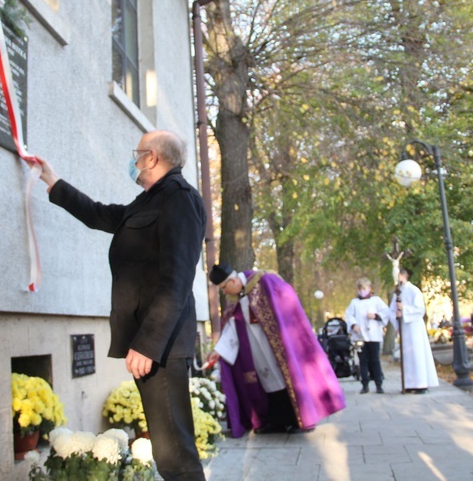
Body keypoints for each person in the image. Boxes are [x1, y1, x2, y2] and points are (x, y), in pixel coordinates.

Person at [33, 130, 206, 480]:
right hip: (151, 344)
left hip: (162, 346)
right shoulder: (150, 199)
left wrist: (147, 344)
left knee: (175, 453)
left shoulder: (180, 199)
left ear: (153, 157)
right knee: (166, 449)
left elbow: (177, 281)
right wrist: (52, 181)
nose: (134, 160)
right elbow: (99, 214)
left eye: (137, 153)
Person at [206, 263, 345, 437]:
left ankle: (296, 419)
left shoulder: (265, 281)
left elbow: (287, 303)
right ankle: (275, 421)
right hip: (255, 349)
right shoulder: (235, 300)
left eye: (224, 288)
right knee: (266, 382)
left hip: (278, 344)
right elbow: (232, 327)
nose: (224, 292)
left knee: (285, 378)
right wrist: (218, 350)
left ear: (233, 281)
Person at [389, 268, 439, 394]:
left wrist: (404, 309)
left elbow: (419, 309)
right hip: (405, 328)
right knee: (407, 356)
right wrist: (396, 316)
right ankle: (409, 383)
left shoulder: (413, 290)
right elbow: (391, 310)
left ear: (402, 276)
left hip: (414, 327)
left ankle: (421, 383)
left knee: (417, 355)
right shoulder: (397, 292)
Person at [344, 277, 390, 394]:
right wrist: (353, 325)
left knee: (375, 360)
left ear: (369, 288)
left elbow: (386, 312)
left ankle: (379, 384)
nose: (362, 291)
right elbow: (349, 315)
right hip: (360, 336)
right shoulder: (354, 303)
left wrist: (375, 316)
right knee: (363, 361)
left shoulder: (376, 300)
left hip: (374, 335)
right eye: (360, 289)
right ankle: (364, 384)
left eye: (364, 288)